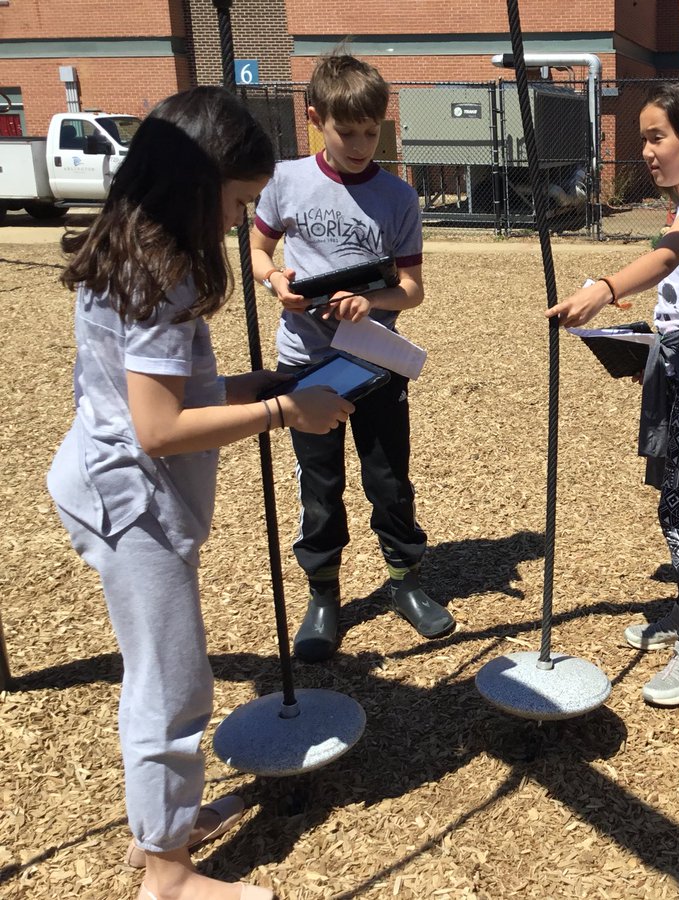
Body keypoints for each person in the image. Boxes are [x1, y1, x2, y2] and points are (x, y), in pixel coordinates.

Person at [47, 86, 353, 900]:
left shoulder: (132, 253)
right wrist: (286, 409)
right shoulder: (162, 272)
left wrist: (265, 382)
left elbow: (174, 389)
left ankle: (164, 829)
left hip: (111, 481)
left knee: (164, 673)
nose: (236, 220)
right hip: (129, 497)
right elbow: (157, 427)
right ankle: (167, 876)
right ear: (195, 182)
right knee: (172, 682)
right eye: (238, 201)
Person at [548, 79, 679, 707]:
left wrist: (605, 288)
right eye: (643, 137)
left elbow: (671, 256)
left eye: (656, 136)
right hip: (676, 358)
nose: (646, 149)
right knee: (678, 495)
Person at [251, 53, 454, 663]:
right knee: (320, 483)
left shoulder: (398, 197)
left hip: (374, 361)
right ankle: (324, 596)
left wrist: (370, 301)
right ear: (316, 120)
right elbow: (260, 252)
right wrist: (274, 284)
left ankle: (405, 581)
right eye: (348, 132)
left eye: (372, 131)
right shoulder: (285, 180)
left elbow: (412, 291)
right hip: (303, 361)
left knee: (389, 478)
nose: (362, 144)